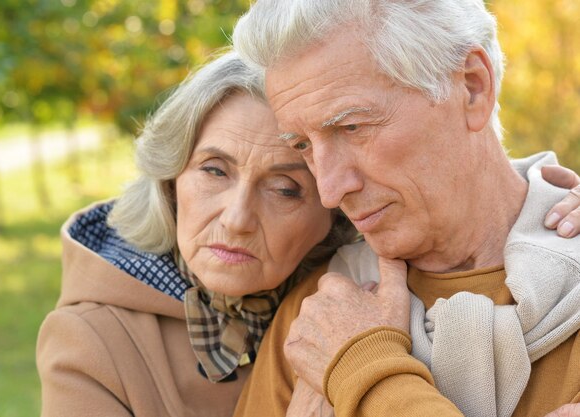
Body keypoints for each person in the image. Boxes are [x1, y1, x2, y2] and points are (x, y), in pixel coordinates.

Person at [231, 1, 580, 416]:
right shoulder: (316, 318)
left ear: (472, 87)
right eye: (303, 145)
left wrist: (363, 370)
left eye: (352, 127)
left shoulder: (334, 343)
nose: (329, 190)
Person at [35, 50, 358, 417]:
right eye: (214, 171)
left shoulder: (357, 301)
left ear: (335, 214)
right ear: (171, 182)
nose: (237, 219)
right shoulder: (90, 340)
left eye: (284, 188)